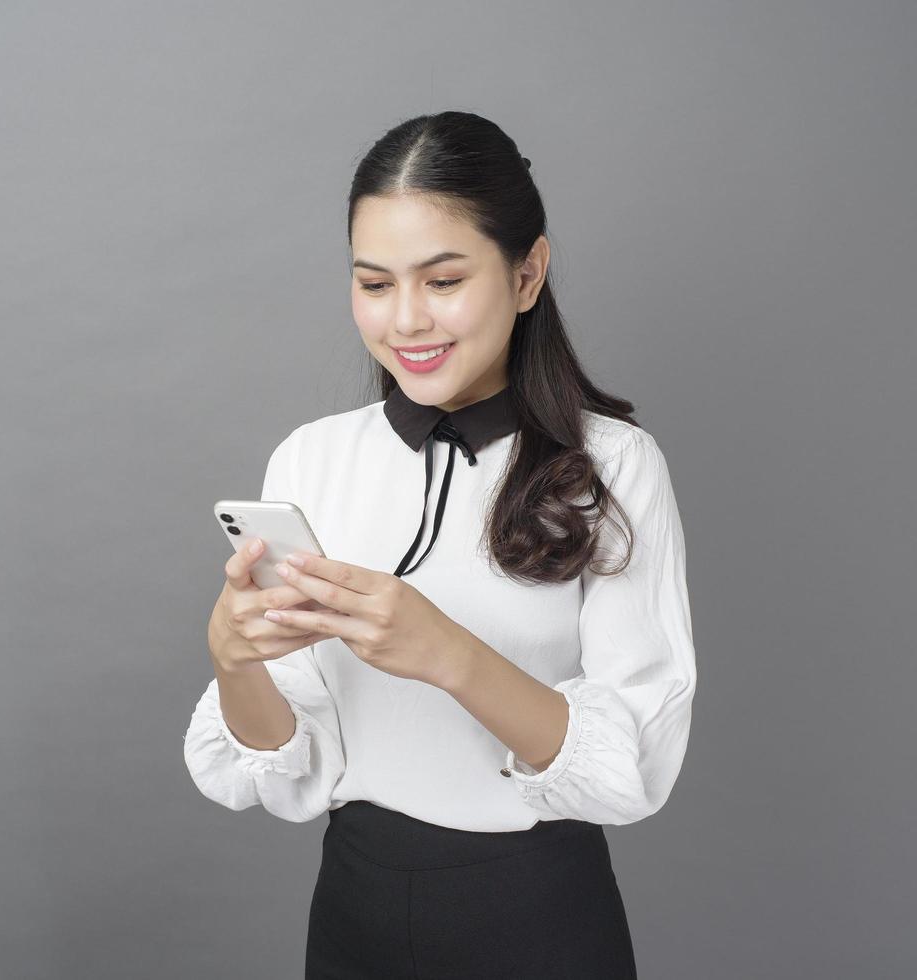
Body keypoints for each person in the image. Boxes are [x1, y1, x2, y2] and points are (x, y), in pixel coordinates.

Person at [182, 110, 696, 978]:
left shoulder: (610, 466)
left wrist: (447, 653)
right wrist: (234, 660)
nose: (406, 321)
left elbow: (630, 769)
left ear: (526, 273)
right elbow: (283, 769)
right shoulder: (313, 456)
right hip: (355, 907)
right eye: (374, 284)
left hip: (536, 914)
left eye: (443, 279)